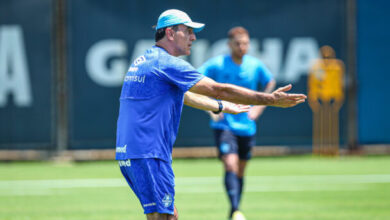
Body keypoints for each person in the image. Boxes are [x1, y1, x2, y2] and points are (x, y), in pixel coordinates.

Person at [115, 9, 306, 220]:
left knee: (166, 215)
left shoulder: (147, 60)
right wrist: (269, 99)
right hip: (149, 153)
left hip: (132, 152)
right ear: (170, 33)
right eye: (188, 31)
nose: (193, 37)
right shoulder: (167, 63)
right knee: (164, 217)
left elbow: (185, 96)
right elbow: (218, 89)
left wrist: (220, 106)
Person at [198, 26, 276, 220]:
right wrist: (211, 108)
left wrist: (259, 107)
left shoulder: (255, 65)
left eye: (245, 43)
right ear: (229, 44)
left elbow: (270, 82)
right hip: (224, 125)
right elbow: (194, 80)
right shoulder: (217, 64)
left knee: (240, 169)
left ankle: (235, 209)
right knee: (230, 165)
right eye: (238, 43)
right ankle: (235, 211)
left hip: (247, 126)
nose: (242, 47)